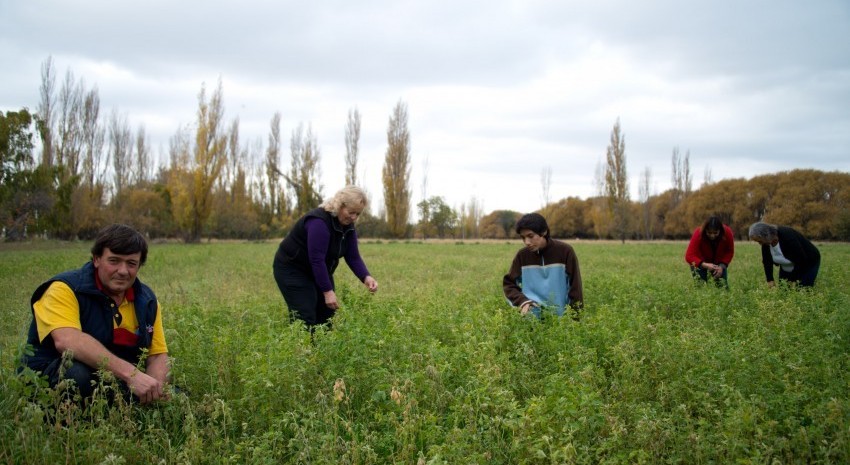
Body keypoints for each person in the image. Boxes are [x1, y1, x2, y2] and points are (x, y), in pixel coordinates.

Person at [20, 224, 171, 405]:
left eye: (131, 263)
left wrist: (154, 390)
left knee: (175, 394)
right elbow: (67, 341)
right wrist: (132, 375)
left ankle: (121, 409)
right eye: (114, 261)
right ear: (96, 259)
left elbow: (157, 355)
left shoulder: (147, 301)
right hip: (50, 374)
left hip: (111, 377)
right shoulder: (64, 289)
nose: (123, 271)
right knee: (76, 375)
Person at [273, 186, 378, 328]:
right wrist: (327, 292)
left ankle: (320, 349)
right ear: (340, 205)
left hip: (318, 269)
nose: (353, 218)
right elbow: (317, 259)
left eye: (357, 214)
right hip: (293, 269)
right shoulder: (319, 222)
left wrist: (366, 277)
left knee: (327, 314)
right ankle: (300, 349)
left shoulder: (348, 226)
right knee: (305, 314)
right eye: (351, 212)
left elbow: (352, 256)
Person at [503, 213, 583, 318]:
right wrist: (523, 301)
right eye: (523, 237)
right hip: (531, 322)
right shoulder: (522, 256)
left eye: (530, 236)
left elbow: (575, 288)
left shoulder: (565, 251)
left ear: (544, 232)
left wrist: (575, 320)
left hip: (560, 322)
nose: (527, 242)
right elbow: (509, 284)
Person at [749, 221, 821, 288]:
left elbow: (801, 260)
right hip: (787, 266)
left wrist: (793, 280)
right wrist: (770, 280)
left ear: (766, 235)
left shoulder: (788, 237)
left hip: (808, 263)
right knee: (784, 290)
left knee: (803, 290)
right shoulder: (765, 243)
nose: (760, 244)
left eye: (760, 241)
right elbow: (767, 261)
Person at [684, 216, 735, 287]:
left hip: (718, 265)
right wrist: (704, 265)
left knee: (723, 288)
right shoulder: (698, 233)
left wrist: (722, 266)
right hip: (700, 264)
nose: (712, 235)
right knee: (701, 288)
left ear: (720, 230)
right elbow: (689, 256)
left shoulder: (727, 232)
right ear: (705, 230)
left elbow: (729, 251)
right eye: (709, 232)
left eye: (715, 233)